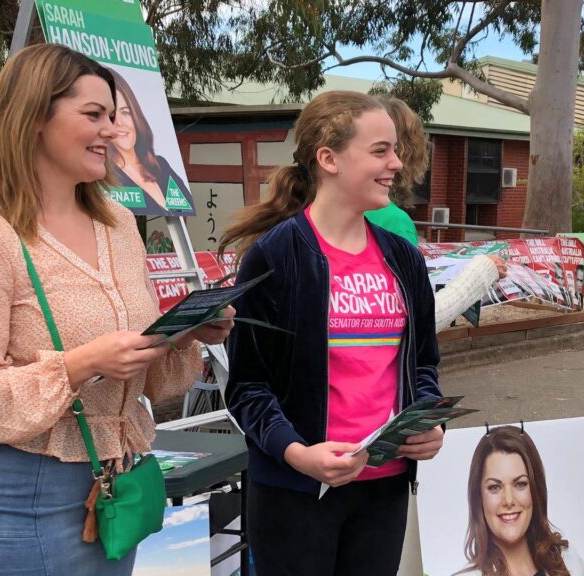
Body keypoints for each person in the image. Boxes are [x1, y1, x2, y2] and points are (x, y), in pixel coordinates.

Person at [0, 44, 233, 575]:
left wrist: (182, 334)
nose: (112, 130)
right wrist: (81, 364)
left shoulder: (118, 223)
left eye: (113, 116)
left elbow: (150, 382)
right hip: (13, 498)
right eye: (93, 115)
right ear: (33, 118)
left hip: (115, 489)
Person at [220, 90, 444, 576]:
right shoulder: (275, 257)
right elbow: (247, 387)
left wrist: (428, 424)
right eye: (380, 150)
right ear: (329, 159)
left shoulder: (403, 259)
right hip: (294, 491)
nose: (396, 164)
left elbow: (423, 364)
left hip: (384, 487)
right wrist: (297, 454)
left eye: (395, 151)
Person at [364, 97, 507, 331]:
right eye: (381, 150)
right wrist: (482, 272)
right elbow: (414, 319)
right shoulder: (393, 222)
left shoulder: (305, 219)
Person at [456, 425, 584, 576]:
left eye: (520, 484)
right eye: (494, 487)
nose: (508, 500)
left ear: (535, 490)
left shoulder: (567, 559)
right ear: (479, 497)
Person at [108, 68, 193, 213]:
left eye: (125, 112)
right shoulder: (106, 178)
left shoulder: (160, 165)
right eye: (111, 115)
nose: (119, 123)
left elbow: (184, 210)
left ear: (135, 115)